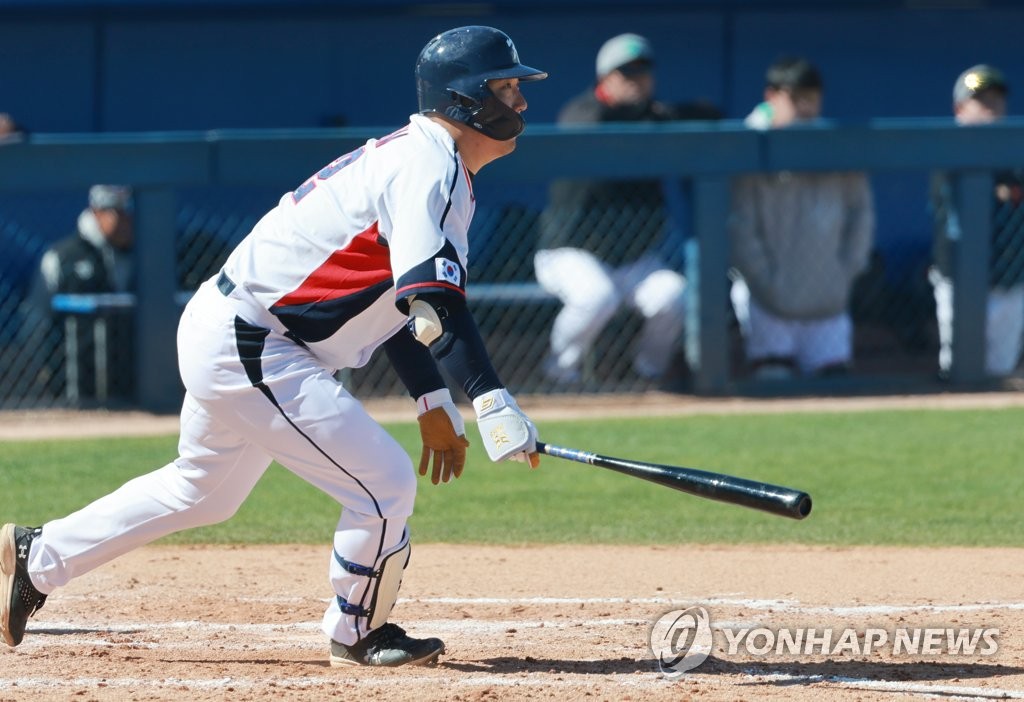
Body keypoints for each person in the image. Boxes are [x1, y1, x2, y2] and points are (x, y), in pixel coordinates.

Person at [1, 26, 545, 668]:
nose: (522, 102)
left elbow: (397, 299)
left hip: (245, 333)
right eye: (508, 88)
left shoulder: (429, 160)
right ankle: (357, 629)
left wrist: (431, 396)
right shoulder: (430, 166)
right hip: (255, 340)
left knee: (203, 491)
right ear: (466, 101)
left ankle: (37, 558)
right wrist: (491, 400)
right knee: (384, 484)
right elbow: (431, 301)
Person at [535, 33, 687, 385]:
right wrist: (649, 118)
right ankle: (557, 375)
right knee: (596, 296)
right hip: (568, 252)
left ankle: (648, 373)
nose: (636, 82)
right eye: (626, 74)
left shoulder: (654, 116)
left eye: (642, 73)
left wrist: (656, 116)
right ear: (606, 77)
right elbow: (592, 126)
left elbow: (703, 113)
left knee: (673, 295)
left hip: (630, 258)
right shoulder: (582, 111)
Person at [728, 56, 874, 378]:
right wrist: (767, 282)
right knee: (773, 381)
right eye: (796, 98)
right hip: (767, 302)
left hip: (829, 301)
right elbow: (740, 227)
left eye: (812, 98)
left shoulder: (837, 146)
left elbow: (861, 215)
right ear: (772, 97)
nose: (806, 107)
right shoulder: (751, 145)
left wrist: (844, 273)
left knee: (835, 390)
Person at [930, 64, 1024, 378]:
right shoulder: (946, 153)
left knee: (1001, 372)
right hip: (959, 282)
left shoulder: (1017, 156)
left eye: (996, 100)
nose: (990, 108)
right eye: (981, 101)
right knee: (958, 372)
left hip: (1010, 283)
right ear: (960, 108)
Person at [21, 185, 136, 399]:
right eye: (117, 213)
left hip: (134, 382)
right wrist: (36, 366)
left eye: (129, 213)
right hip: (73, 383)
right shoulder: (62, 257)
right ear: (96, 212)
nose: (126, 221)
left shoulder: (147, 255)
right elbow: (35, 320)